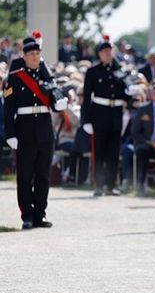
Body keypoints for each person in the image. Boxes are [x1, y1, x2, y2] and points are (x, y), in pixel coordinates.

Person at [3, 35, 68, 229]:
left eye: (37, 53)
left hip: (44, 129)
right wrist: (10, 134)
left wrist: (59, 103)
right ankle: (27, 216)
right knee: (25, 175)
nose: (34, 57)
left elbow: (54, 103)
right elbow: (8, 110)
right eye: (31, 54)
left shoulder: (47, 78)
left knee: (43, 174)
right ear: (24, 57)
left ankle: (40, 214)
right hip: (24, 129)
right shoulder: (14, 78)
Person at [81, 35, 135, 196]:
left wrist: (130, 92)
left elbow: (125, 94)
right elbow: (86, 97)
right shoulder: (92, 72)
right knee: (99, 151)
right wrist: (86, 120)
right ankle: (98, 184)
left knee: (113, 151)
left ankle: (110, 186)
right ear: (99, 53)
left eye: (110, 50)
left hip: (116, 113)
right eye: (104, 51)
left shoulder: (119, 71)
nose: (107, 53)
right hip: (99, 113)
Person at [131, 81, 155, 196]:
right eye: (154, 89)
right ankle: (140, 185)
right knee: (142, 150)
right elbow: (135, 132)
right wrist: (149, 142)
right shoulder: (143, 109)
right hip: (147, 143)